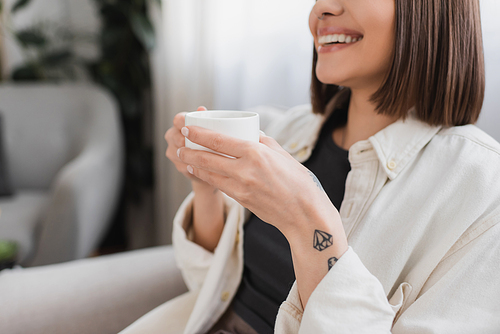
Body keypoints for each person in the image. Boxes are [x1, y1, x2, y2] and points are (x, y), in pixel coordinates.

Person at [125, 0, 500, 333]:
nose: (321, 9)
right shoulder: (289, 131)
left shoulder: (483, 190)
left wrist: (308, 223)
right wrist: (206, 185)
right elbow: (211, 285)